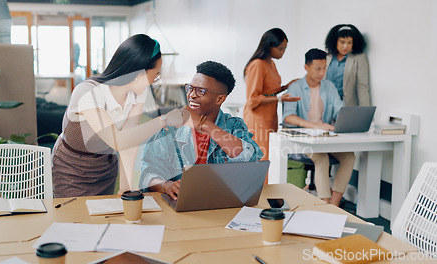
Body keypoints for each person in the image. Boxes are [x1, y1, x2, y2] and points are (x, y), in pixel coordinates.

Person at [52, 34, 184, 198]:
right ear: (139, 74)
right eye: (155, 74)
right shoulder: (88, 92)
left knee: (102, 217)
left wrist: (127, 187)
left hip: (105, 167)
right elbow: (118, 140)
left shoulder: (137, 93)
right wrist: (163, 120)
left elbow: (129, 142)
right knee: (74, 218)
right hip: (72, 168)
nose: (154, 80)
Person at [139, 61, 263, 199]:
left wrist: (205, 125)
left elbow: (251, 160)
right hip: (181, 204)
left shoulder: (234, 126)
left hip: (222, 202)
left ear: (219, 99)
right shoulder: (171, 127)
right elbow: (148, 171)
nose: (191, 95)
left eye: (200, 91)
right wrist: (165, 185)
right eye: (190, 88)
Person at [283, 48, 355, 206]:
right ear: (306, 67)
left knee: (349, 156)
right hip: (304, 140)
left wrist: (347, 119)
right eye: (317, 69)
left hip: (325, 138)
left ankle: (333, 206)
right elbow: (288, 116)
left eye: (324, 68)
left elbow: (339, 110)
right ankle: (324, 204)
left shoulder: (329, 87)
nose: (322, 73)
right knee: (322, 158)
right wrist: (315, 125)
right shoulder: (295, 87)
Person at [243, 28, 300, 163]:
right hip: (258, 119)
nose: (283, 52)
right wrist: (280, 98)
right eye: (280, 49)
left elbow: (268, 90)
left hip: (270, 117)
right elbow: (253, 99)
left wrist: (285, 87)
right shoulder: (257, 64)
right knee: (262, 157)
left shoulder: (271, 63)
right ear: (269, 46)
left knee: (270, 156)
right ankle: (261, 185)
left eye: (285, 48)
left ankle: (268, 184)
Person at [325, 24, 370, 106]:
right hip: (326, 106)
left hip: (346, 106)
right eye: (342, 42)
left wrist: (365, 112)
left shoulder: (359, 59)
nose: (345, 46)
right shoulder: (328, 57)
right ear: (335, 42)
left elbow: (362, 87)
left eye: (349, 43)